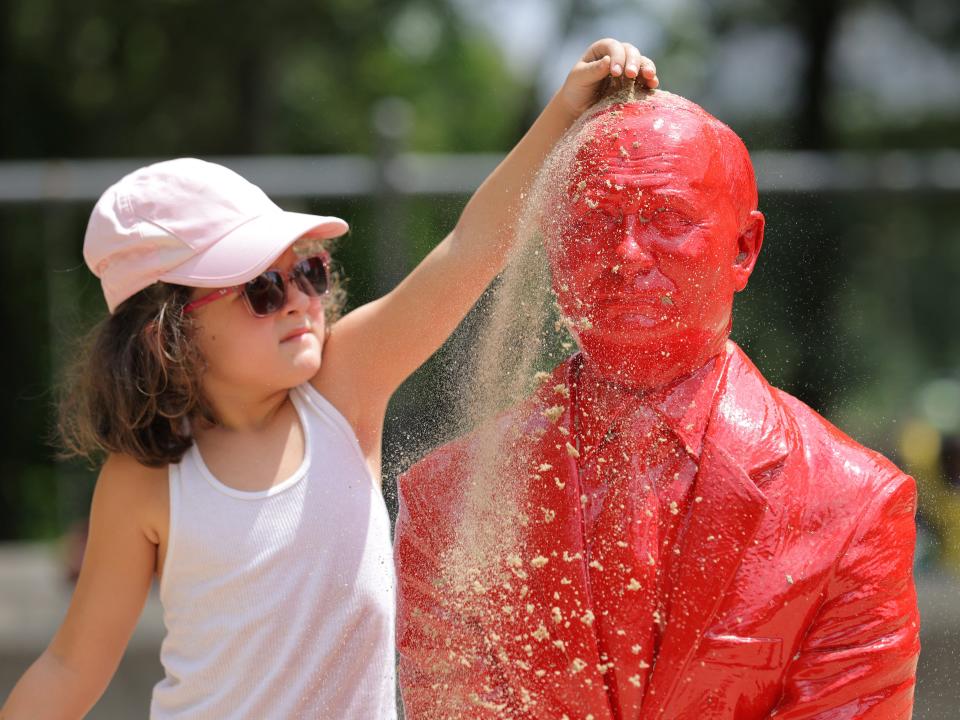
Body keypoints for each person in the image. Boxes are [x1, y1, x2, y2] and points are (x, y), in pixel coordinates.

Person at [0, 39, 660, 720]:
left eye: (308, 271)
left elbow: (468, 251)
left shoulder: (340, 394)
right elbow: (70, 666)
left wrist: (563, 113)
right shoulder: (145, 480)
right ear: (165, 334)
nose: (297, 298)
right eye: (260, 286)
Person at [394, 89, 921, 718]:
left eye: (668, 218)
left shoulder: (851, 507)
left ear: (743, 249)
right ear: (554, 247)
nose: (626, 256)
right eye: (592, 222)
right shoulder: (448, 504)